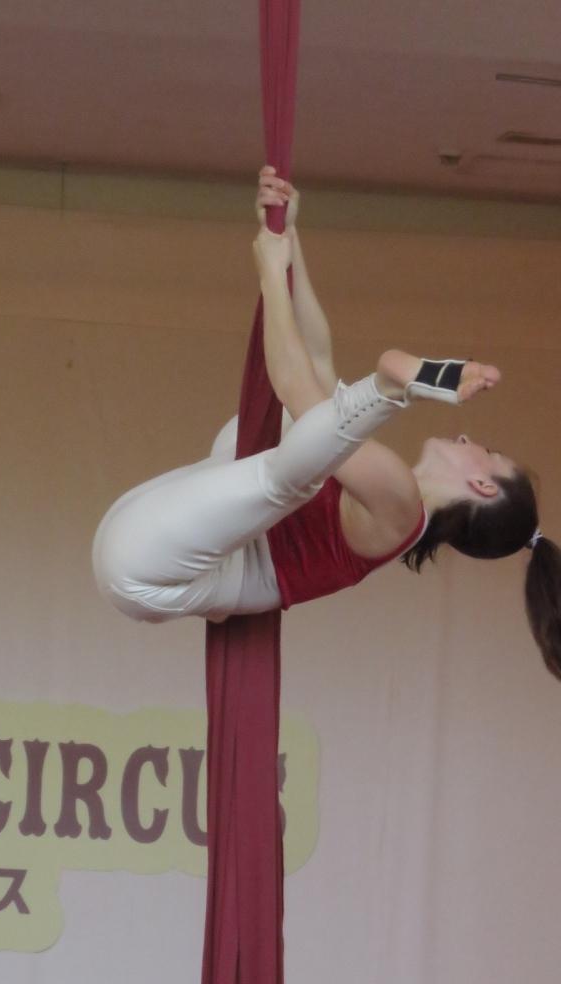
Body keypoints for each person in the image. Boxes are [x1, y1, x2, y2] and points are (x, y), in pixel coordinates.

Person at [93, 168, 561, 680]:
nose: (470, 438)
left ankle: (392, 390)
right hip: (174, 539)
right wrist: (287, 235)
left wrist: (271, 274)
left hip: (148, 564)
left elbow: (296, 387)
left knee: (297, 461)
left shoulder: (402, 509)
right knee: (307, 422)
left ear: (483, 486)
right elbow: (314, 366)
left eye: (488, 453)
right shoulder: (392, 491)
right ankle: (390, 389)